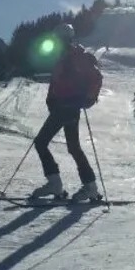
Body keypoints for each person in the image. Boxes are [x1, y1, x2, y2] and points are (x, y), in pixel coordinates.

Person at [30, 23, 104, 202]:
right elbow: (57, 83)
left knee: (41, 142)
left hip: (66, 108)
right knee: (73, 147)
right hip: (66, 107)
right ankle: (90, 187)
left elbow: (96, 77)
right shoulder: (65, 57)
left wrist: (86, 99)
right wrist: (52, 100)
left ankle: (56, 184)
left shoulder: (74, 57)